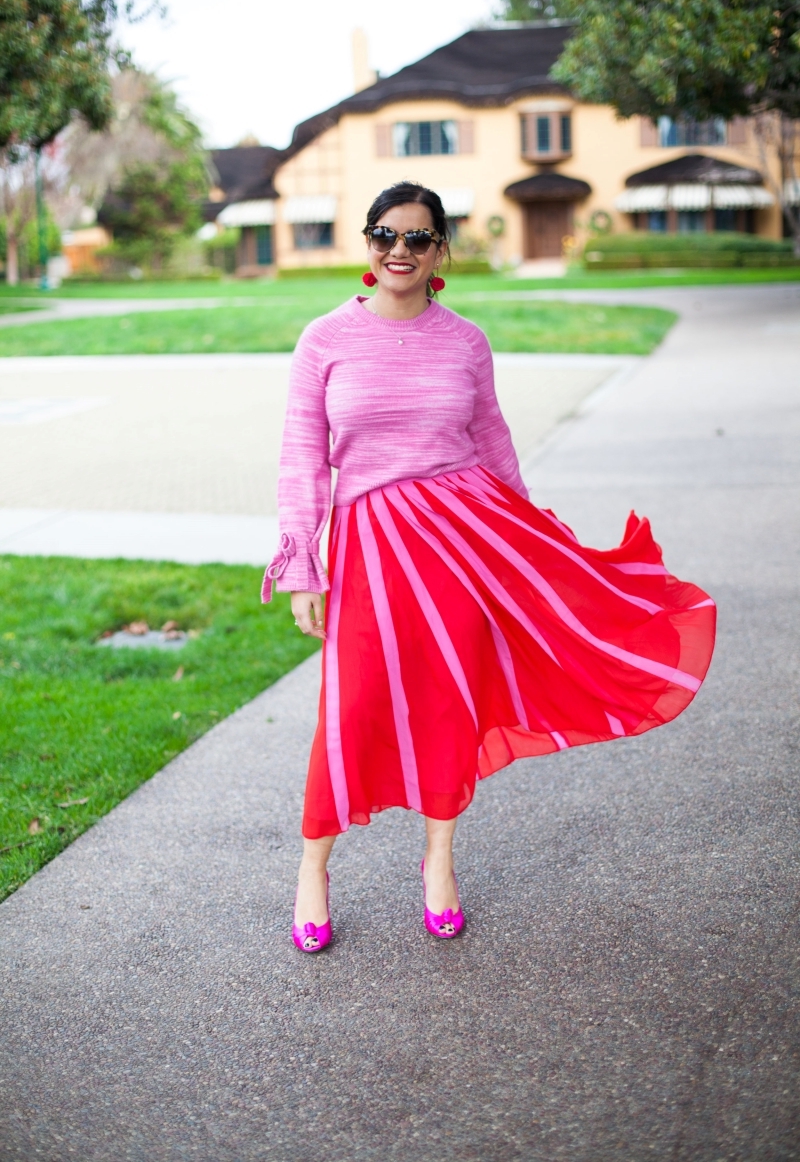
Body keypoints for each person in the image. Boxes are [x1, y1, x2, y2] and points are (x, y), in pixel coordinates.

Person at [263, 181, 715, 953]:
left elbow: (494, 441)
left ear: (442, 251)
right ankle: (314, 869)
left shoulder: (465, 341)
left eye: (416, 238)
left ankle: (439, 864)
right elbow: (303, 460)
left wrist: (538, 541)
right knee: (353, 705)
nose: (398, 251)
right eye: (384, 235)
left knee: (447, 702)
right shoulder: (323, 340)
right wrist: (303, 561)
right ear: (366, 246)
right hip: (372, 544)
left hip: (467, 539)